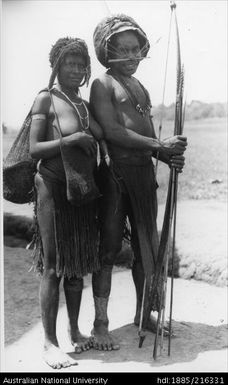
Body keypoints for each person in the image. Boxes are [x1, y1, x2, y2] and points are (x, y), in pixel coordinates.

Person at [89, 14, 188, 351]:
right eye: (124, 50)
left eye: (136, 50)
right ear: (109, 51)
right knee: (110, 248)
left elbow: (147, 136)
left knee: (147, 250)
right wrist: (160, 146)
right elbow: (114, 132)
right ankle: (100, 323)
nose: (132, 57)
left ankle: (144, 315)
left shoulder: (139, 86)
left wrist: (168, 155)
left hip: (144, 177)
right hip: (116, 177)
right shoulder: (103, 84)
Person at [30, 37, 108, 369]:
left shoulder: (84, 105)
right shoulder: (46, 99)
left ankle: (75, 331)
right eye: (69, 64)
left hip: (82, 190)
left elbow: (105, 133)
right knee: (53, 265)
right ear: (56, 67)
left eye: (80, 65)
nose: (75, 70)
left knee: (77, 265)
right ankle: (49, 343)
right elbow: (35, 149)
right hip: (52, 185)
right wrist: (72, 139)